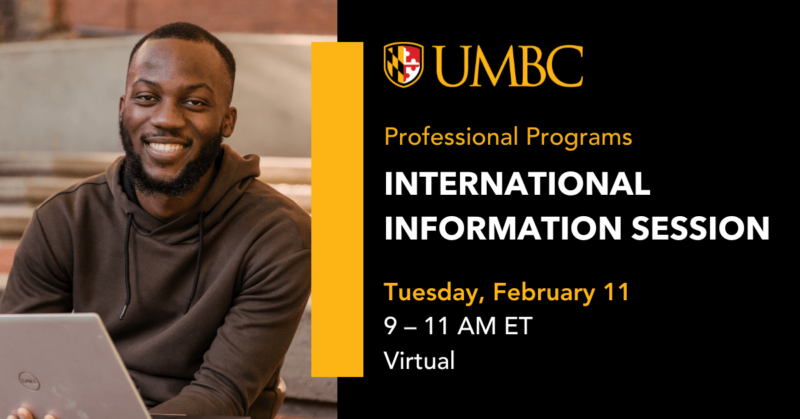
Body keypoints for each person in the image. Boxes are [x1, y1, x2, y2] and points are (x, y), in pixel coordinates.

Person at [0, 22, 311, 419]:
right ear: (122, 108)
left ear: (227, 121)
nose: (166, 119)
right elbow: (22, 366)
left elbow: (223, 395)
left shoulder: (279, 234)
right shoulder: (63, 220)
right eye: (147, 97)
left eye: (195, 103)